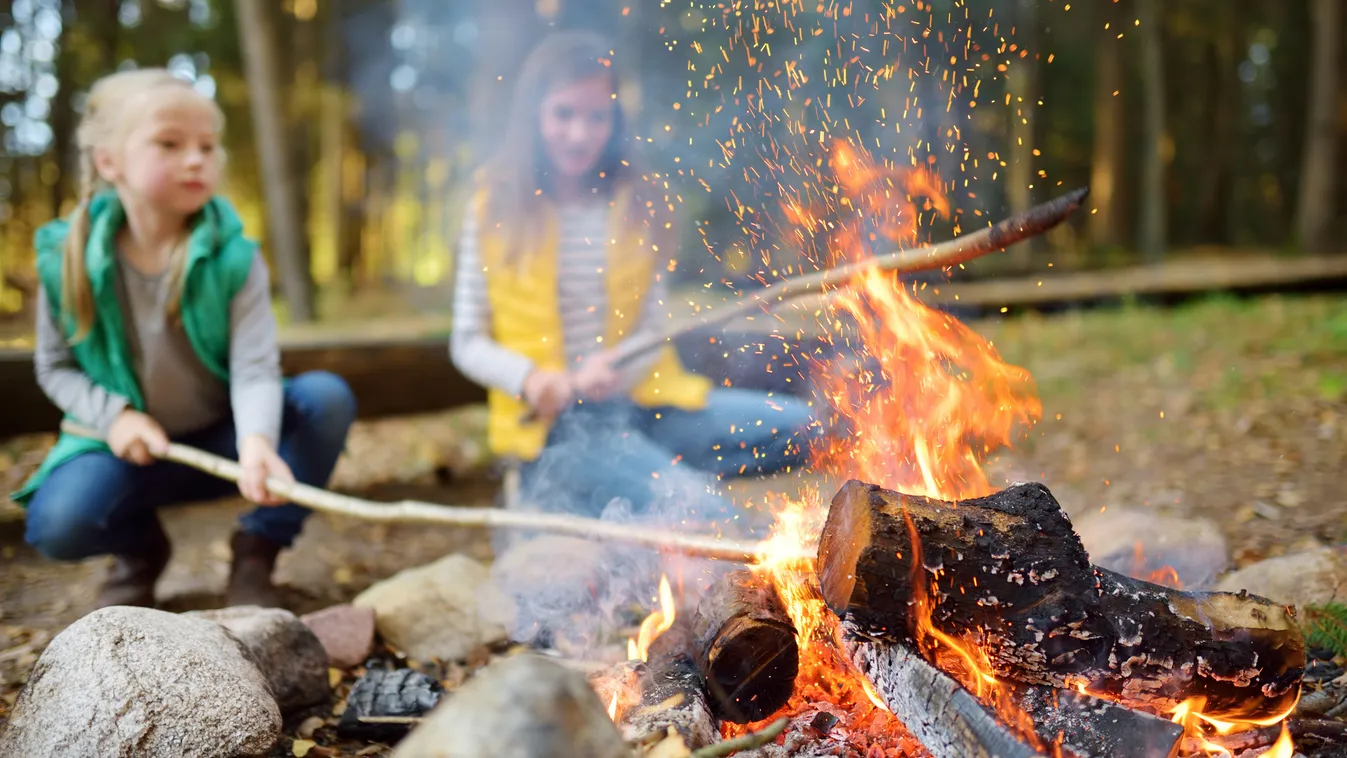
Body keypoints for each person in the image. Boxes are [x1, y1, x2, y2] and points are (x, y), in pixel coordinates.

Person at [10, 68, 356, 610]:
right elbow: (56, 367)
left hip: (223, 441)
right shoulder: (64, 257)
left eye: (207, 146)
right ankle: (141, 550)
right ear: (109, 161)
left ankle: (256, 551)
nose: (196, 159)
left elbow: (255, 368)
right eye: (169, 144)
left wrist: (257, 440)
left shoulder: (236, 258)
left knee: (326, 398)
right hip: (126, 451)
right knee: (59, 524)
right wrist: (115, 416)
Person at [450, 31, 819, 532]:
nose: (580, 133)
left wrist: (619, 371)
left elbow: (650, 325)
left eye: (596, 116)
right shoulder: (493, 206)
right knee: (705, 512)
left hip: (648, 406)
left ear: (615, 119)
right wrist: (530, 379)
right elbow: (467, 340)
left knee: (808, 428)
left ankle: (644, 476)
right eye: (564, 114)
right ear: (534, 115)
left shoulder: (643, 203)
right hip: (556, 431)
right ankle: (628, 483)